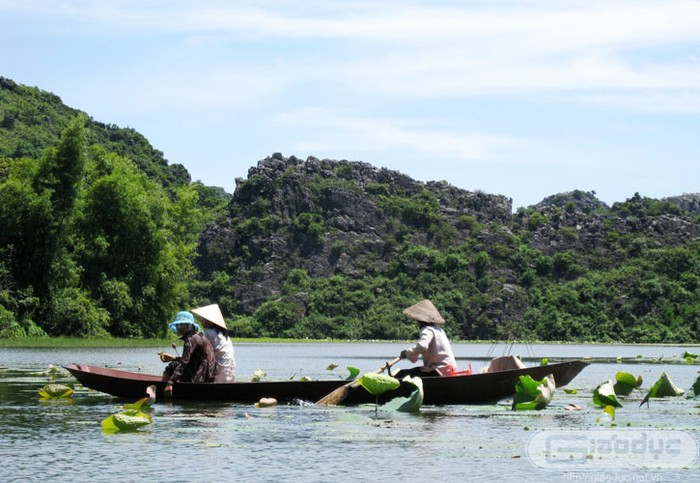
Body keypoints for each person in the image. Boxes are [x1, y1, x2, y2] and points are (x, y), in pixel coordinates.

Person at [392, 299, 457, 379]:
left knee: (402, 375)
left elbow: (422, 346)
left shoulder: (427, 329)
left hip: (439, 370)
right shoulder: (437, 329)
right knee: (412, 372)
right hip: (448, 368)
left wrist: (407, 353)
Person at [160, 311, 217, 397]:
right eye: (177, 325)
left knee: (172, 366)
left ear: (189, 325)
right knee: (175, 363)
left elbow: (184, 363)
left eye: (181, 324)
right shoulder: (198, 336)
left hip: (200, 377)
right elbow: (191, 359)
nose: (178, 327)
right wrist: (174, 358)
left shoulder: (190, 340)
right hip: (209, 375)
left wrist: (170, 383)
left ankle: (161, 388)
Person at [192, 303, 236, 383]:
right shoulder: (224, 335)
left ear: (210, 322)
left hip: (217, 377)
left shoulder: (208, 333)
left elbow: (194, 342)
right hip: (230, 376)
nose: (202, 321)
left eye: (204, 319)